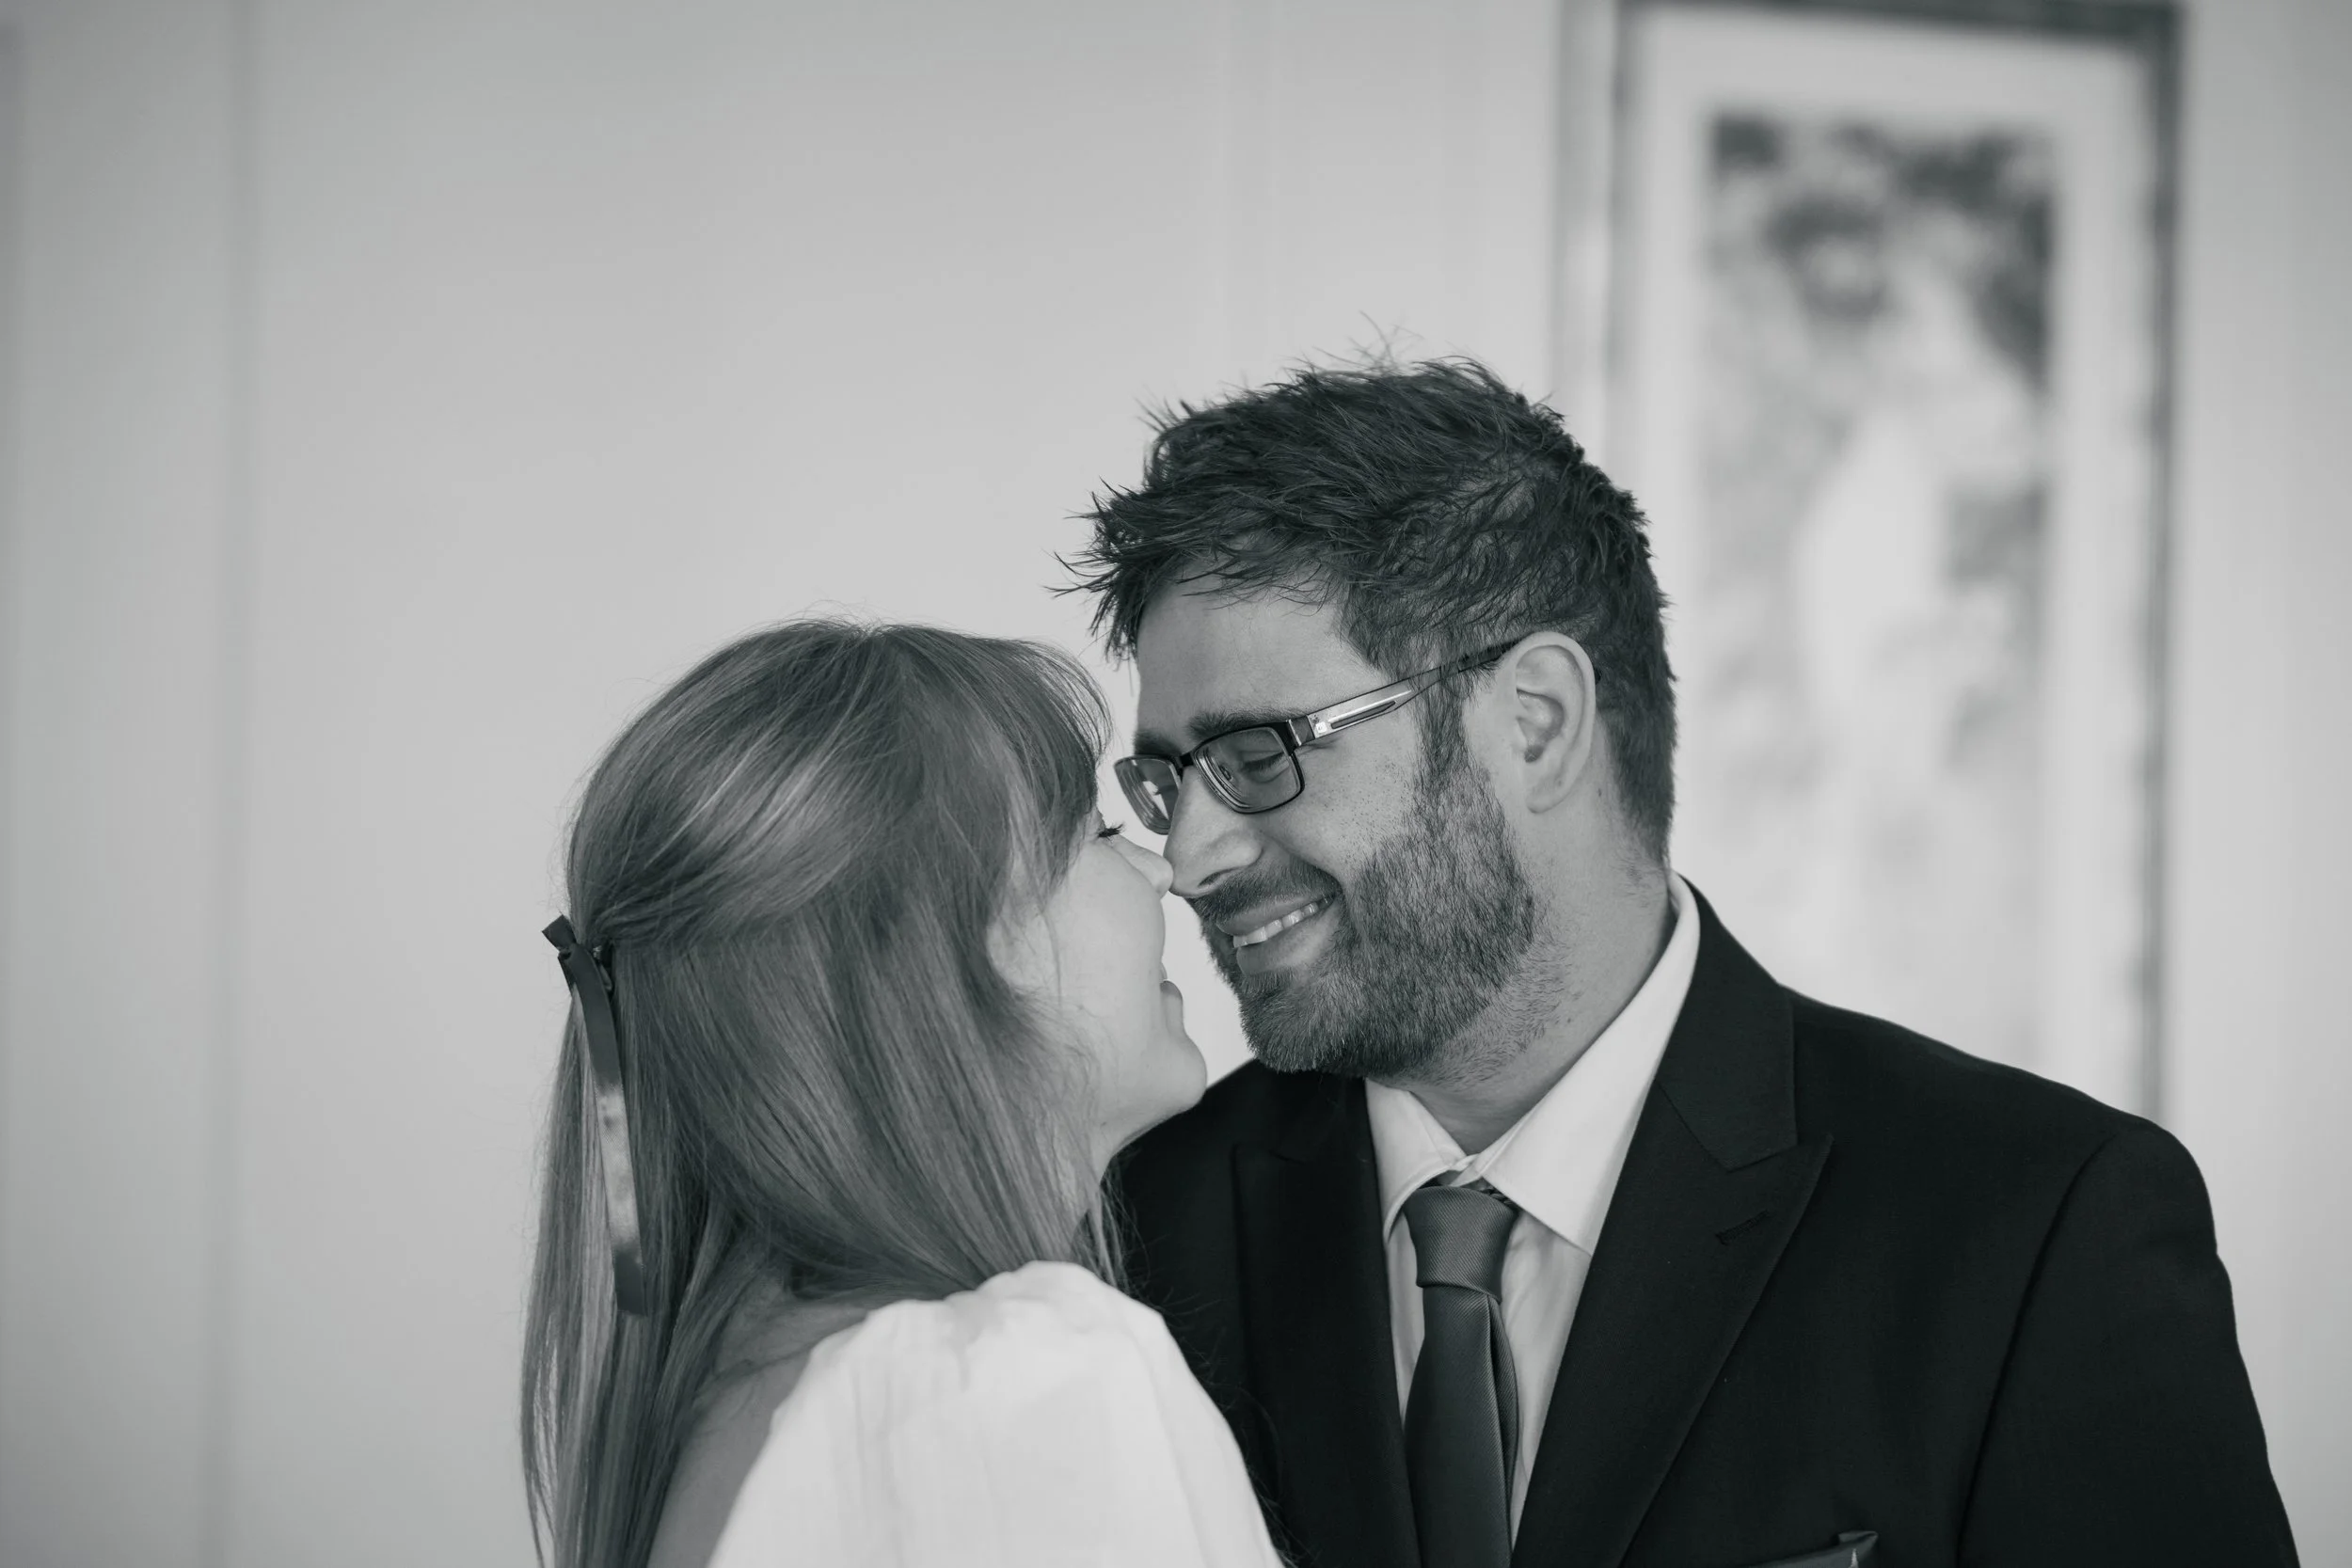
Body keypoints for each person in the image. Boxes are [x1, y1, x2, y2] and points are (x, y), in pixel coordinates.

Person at [1070, 357, 2298, 1568]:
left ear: (1534, 722)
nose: (1190, 852)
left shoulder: (2032, 1229)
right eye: (1168, 777)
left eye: (1257, 752)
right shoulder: (1132, 1241)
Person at [518, 621, 1285, 1568]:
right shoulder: (1007, 1388)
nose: (1161, 869)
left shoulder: (748, 1404)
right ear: (927, 971)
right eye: (1091, 833)